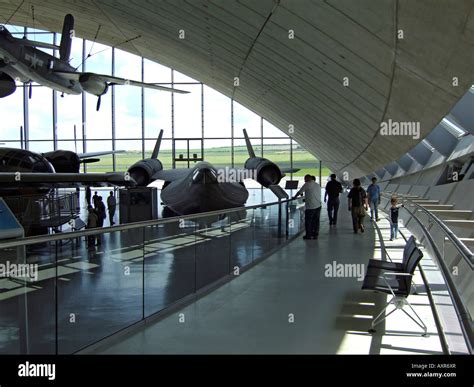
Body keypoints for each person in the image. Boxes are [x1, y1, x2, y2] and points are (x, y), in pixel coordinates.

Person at [293, 174, 322, 240]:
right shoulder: (317, 185)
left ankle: (308, 235)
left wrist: (295, 197)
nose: (304, 180)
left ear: (308, 178)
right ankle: (315, 234)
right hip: (318, 205)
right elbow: (314, 194)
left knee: (308, 221)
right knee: (316, 221)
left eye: (305, 178)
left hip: (311, 207)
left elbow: (299, 192)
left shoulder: (307, 184)